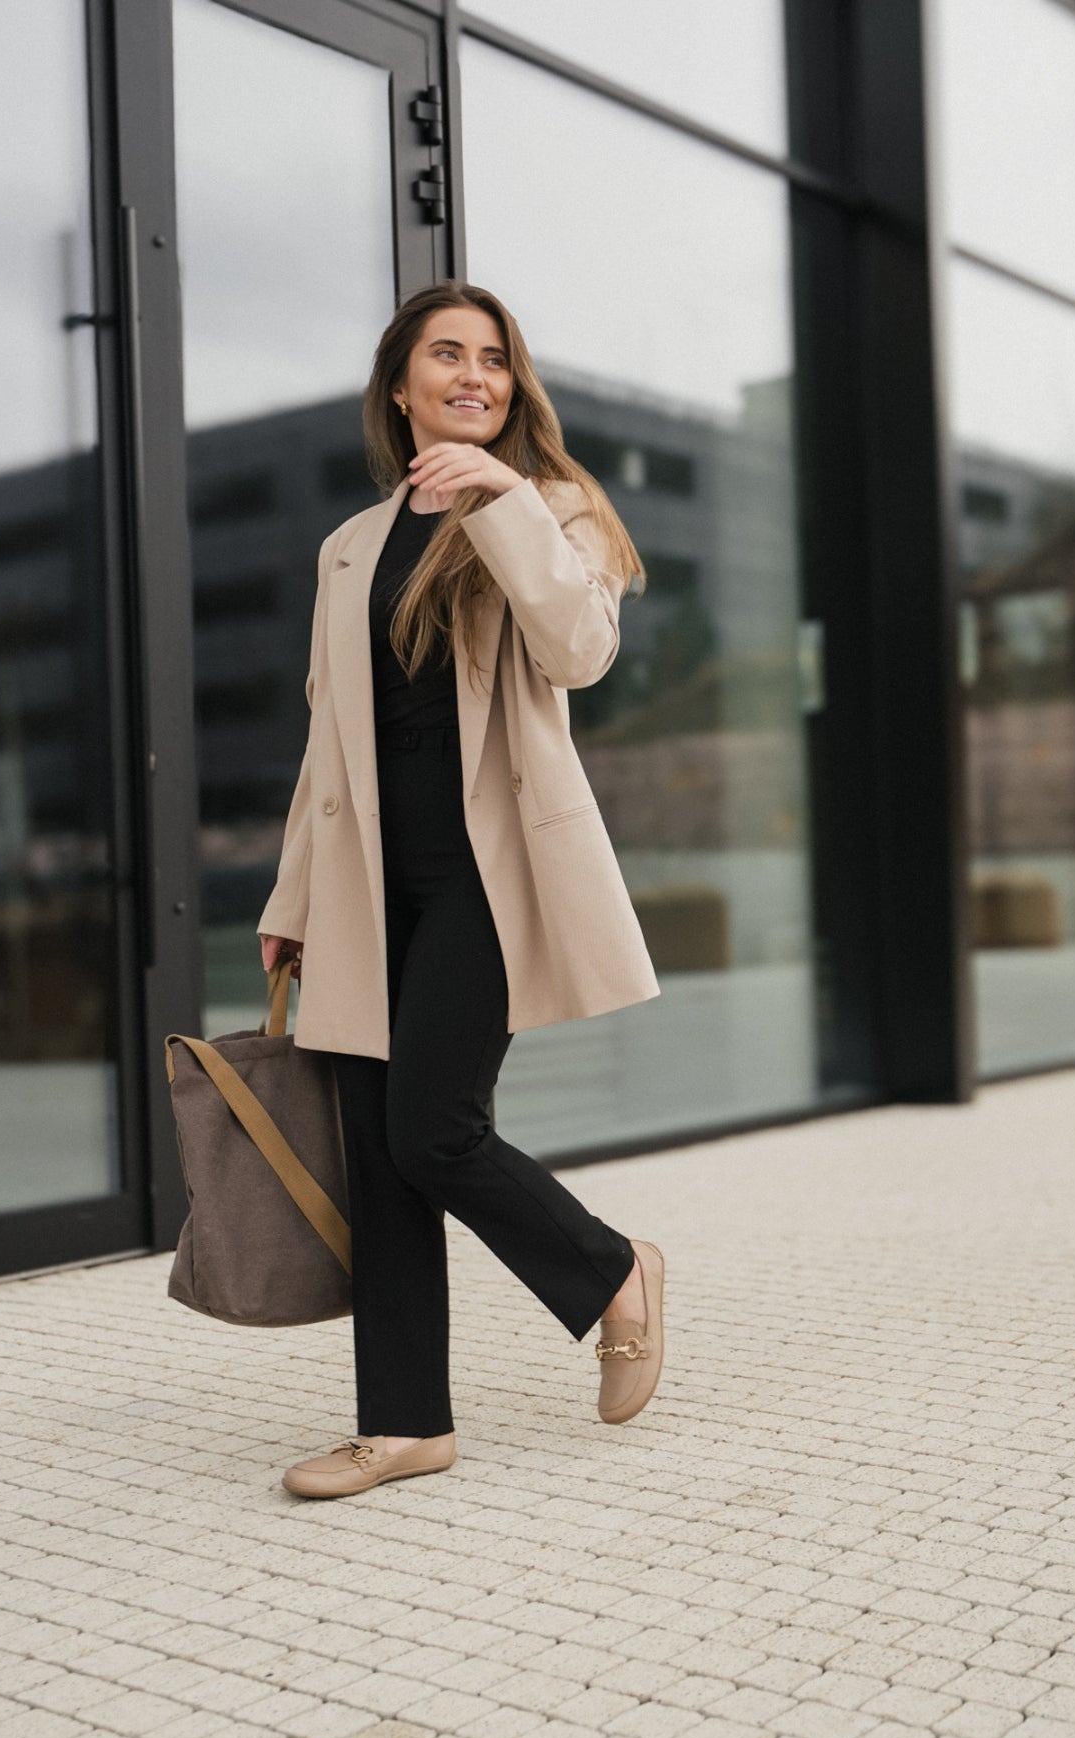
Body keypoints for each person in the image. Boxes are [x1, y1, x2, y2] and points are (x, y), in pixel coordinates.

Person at [257, 280, 666, 1499]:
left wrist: (499, 500)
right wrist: (291, 901)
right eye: (447, 354)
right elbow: (328, 742)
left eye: (494, 358)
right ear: (402, 386)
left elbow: (579, 652)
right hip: (364, 885)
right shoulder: (351, 545)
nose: (473, 375)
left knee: (434, 1130)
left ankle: (611, 1272)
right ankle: (404, 1424)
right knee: (379, 1155)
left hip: (490, 876)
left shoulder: (553, 506)